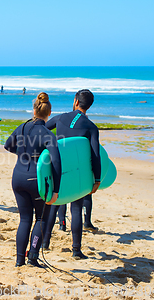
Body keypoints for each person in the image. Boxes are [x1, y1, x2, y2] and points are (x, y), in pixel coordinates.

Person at [42, 89, 101, 260]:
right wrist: (96, 179)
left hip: (58, 168)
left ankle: (45, 242)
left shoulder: (60, 118)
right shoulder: (91, 127)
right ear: (89, 106)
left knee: (54, 203)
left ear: (75, 101)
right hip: (78, 173)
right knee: (76, 208)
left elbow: (43, 128)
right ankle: (76, 250)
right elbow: (96, 155)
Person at [4, 92, 61, 268]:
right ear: (49, 113)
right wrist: (56, 191)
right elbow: (57, 163)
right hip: (35, 180)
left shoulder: (21, 127)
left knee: (24, 220)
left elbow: (8, 145)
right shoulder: (47, 134)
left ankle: (19, 260)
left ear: (33, 110)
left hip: (18, 177)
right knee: (41, 219)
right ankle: (33, 257)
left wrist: (23, 155)